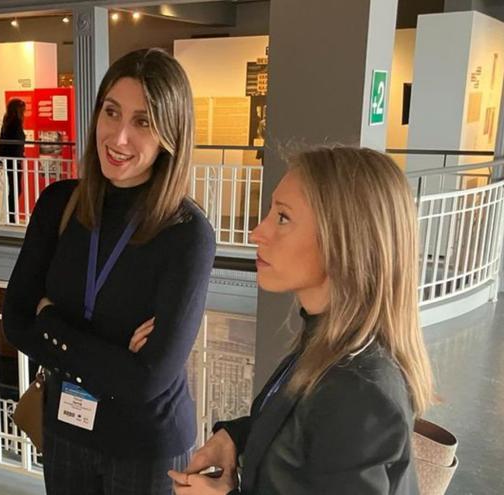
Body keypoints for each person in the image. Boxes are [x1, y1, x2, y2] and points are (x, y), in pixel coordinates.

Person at [2, 48, 216, 495]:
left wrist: (52, 322)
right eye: (111, 112)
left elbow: (147, 382)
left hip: (145, 447)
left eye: (143, 122)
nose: (118, 138)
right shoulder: (60, 204)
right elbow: (16, 322)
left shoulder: (186, 232)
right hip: (65, 431)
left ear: (170, 135)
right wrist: (117, 352)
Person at [168, 146, 435, 495]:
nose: (256, 233)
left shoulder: (360, 391)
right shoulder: (328, 342)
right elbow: (308, 432)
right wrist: (237, 436)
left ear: (344, 240)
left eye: (282, 218)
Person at [0, 97, 26, 223]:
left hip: (13, 160)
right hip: (14, 161)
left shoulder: (8, 122)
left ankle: (12, 217)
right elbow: (12, 143)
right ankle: (12, 217)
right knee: (15, 189)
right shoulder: (14, 123)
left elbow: (3, 143)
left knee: (14, 189)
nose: (24, 112)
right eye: (22, 109)